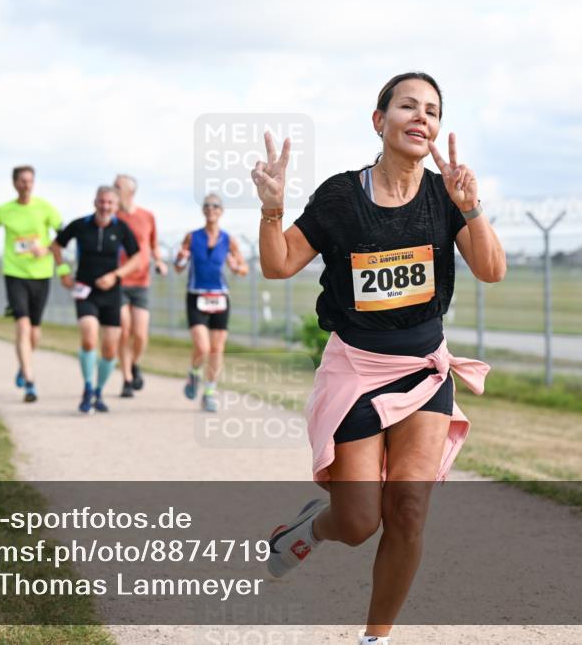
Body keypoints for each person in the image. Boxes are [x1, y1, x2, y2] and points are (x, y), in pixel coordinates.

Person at [252, 72, 506, 644]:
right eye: (408, 106)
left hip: (424, 371)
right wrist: (272, 211)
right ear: (379, 120)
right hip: (358, 371)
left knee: (409, 509)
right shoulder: (342, 197)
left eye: (432, 111)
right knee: (358, 521)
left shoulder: (445, 195)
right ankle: (308, 530)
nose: (421, 118)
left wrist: (471, 208)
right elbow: (278, 264)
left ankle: (375, 639)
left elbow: (492, 270)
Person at [53, 185, 141, 414]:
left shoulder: (121, 228)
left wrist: (116, 275)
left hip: (112, 294)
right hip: (85, 291)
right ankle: (87, 388)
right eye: (102, 201)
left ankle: (99, 391)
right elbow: (56, 246)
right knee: (89, 338)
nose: (105, 206)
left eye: (110, 203)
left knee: (110, 349)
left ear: (116, 206)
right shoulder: (80, 225)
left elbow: (137, 258)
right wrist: (63, 272)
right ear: (95, 202)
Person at [0, 166, 64, 403]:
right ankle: (30, 381)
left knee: (35, 331)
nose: (26, 185)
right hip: (14, 273)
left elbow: (64, 235)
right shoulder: (5, 210)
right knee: (23, 325)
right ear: (14, 183)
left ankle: (23, 363)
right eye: (22, 181)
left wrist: (46, 249)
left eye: (30, 181)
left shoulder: (45, 207)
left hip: (41, 274)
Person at [174, 194, 248, 412]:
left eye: (215, 206)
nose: (210, 209)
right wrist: (180, 258)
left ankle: (209, 393)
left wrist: (236, 267)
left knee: (216, 349)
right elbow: (178, 267)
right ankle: (194, 372)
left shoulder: (228, 240)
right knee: (202, 347)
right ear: (203, 210)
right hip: (196, 295)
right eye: (207, 205)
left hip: (220, 297)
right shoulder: (192, 237)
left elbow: (243, 268)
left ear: (221, 211)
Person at [114, 174, 168, 397]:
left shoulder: (147, 216)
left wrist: (159, 261)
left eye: (118, 187)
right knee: (123, 330)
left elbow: (153, 245)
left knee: (140, 334)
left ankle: (134, 363)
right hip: (117, 280)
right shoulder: (112, 216)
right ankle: (127, 379)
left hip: (141, 281)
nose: (113, 190)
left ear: (130, 191)